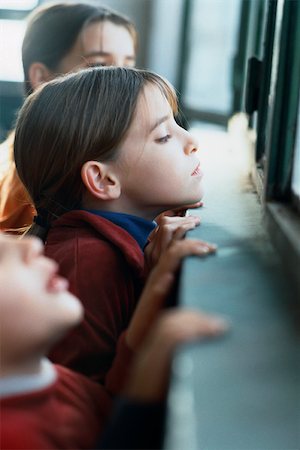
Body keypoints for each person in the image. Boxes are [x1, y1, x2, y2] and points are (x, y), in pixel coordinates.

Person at [14, 66, 212, 386]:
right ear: (103, 180)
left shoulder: (113, 240)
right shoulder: (87, 262)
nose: (191, 140)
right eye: (163, 136)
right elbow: (88, 402)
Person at [0, 233, 227, 449]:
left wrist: (156, 286)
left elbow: (109, 408)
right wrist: (141, 404)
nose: (32, 244)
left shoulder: (47, 376)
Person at [0, 1, 137, 232]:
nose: (123, 83)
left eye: (128, 66)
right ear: (43, 78)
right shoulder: (39, 174)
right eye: (99, 66)